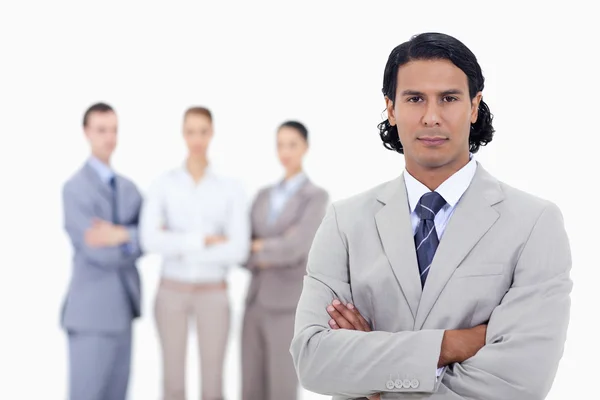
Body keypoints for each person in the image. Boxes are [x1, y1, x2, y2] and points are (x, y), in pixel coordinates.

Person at [290, 32, 572, 400]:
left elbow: (520, 381)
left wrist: (374, 381)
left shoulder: (535, 224)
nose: (432, 117)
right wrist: (451, 344)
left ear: (474, 106)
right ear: (391, 108)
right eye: (415, 98)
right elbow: (313, 361)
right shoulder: (344, 223)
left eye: (449, 98)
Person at [139, 106, 250, 400]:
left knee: (213, 383)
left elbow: (238, 250)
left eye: (203, 131)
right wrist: (203, 241)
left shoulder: (230, 188)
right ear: (183, 134)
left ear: (211, 133)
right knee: (172, 382)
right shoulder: (163, 184)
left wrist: (175, 244)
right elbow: (149, 240)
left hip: (213, 292)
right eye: (191, 131)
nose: (197, 138)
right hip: (170, 291)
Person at [61, 102, 144, 400]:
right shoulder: (74, 188)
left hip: (124, 311)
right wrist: (131, 241)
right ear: (86, 132)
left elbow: (148, 236)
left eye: (113, 130)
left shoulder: (129, 189)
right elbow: (94, 249)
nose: (109, 137)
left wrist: (119, 234)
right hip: (91, 316)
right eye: (101, 130)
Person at [241, 121, 329, 400]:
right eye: (280, 145)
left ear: (305, 147)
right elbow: (240, 250)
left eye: (292, 144)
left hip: (286, 306)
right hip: (253, 302)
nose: (285, 152)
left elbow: (296, 248)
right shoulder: (263, 195)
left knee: (281, 387)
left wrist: (259, 245)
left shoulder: (315, 197)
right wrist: (270, 246)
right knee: (250, 386)